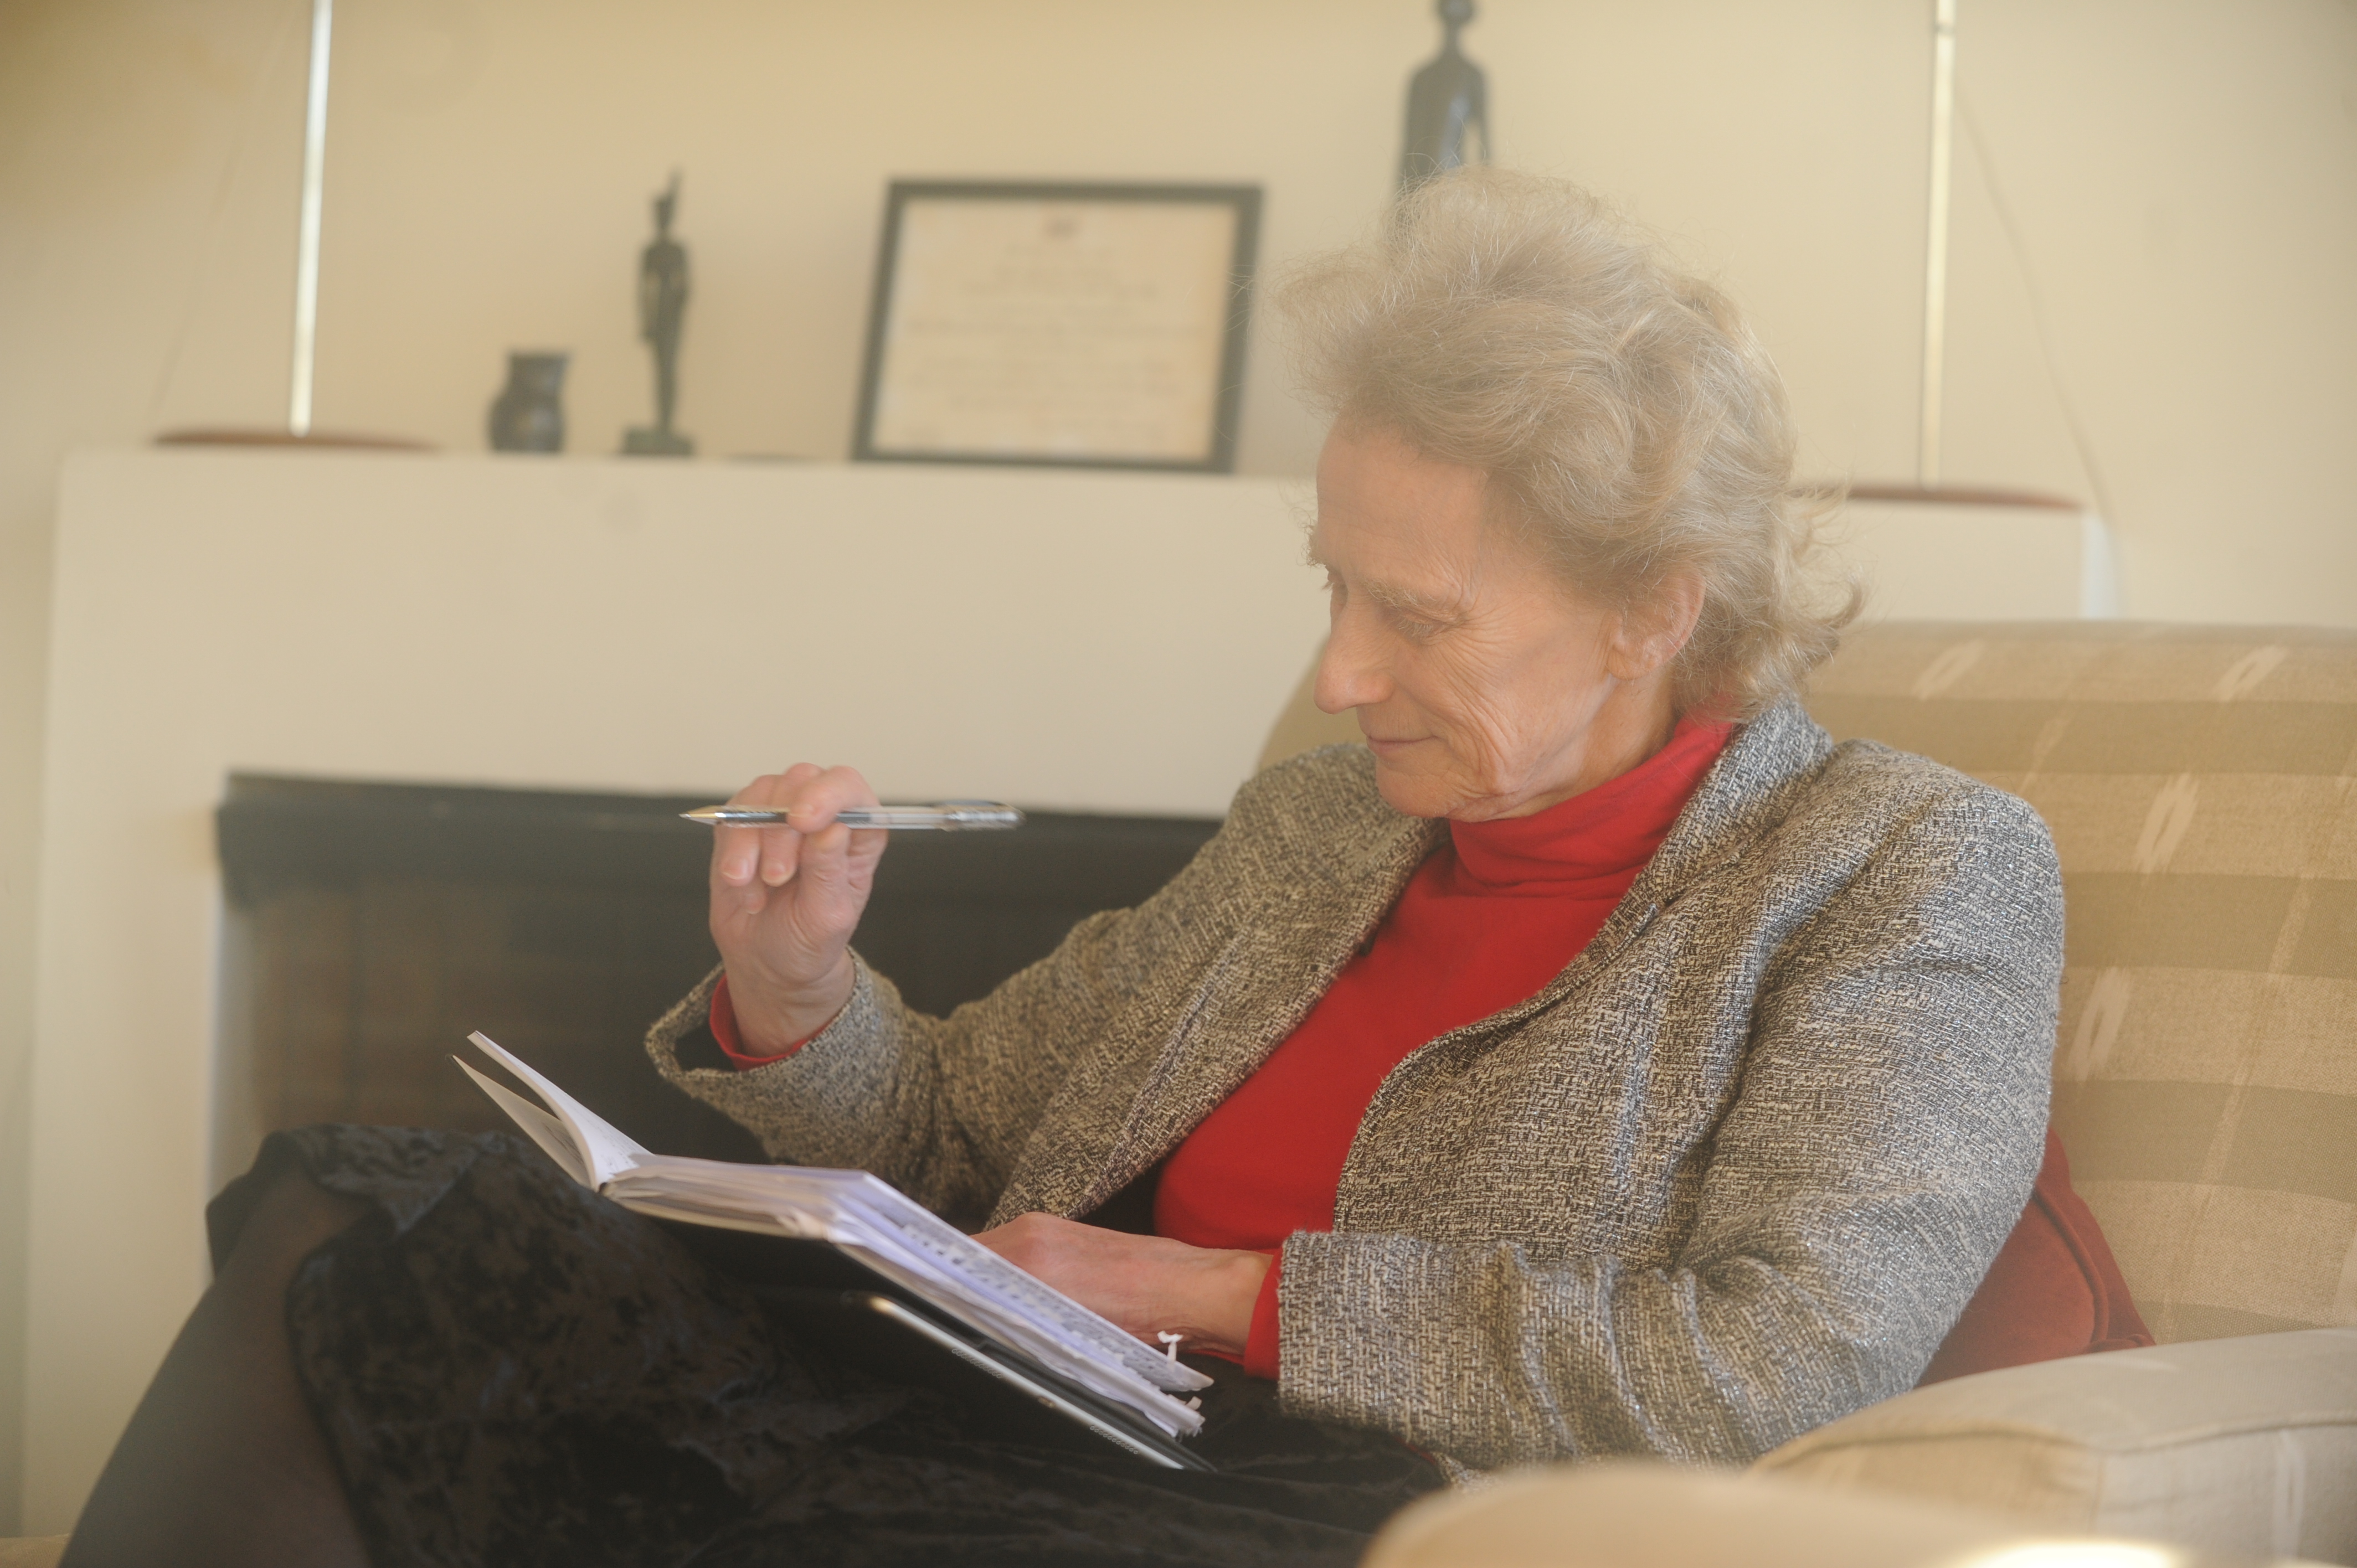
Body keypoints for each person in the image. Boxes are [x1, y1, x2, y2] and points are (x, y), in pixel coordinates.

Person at [64, 169, 2070, 1568]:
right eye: (1333, 589)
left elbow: (1775, 1363)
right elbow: (960, 1128)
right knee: (360, 1206)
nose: (1339, 677)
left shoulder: (1898, 872)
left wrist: (1202, 1290)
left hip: (1325, 1503)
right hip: (1005, 1401)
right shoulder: (1325, 825)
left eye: (1419, 616)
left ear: (1654, 607)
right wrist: (797, 990)